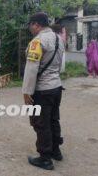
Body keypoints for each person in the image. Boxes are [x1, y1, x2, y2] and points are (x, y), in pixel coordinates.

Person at [22, 12, 65, 170]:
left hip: (43, 90)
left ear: (36, 24)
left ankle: (45, 158)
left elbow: (31, 68)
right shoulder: (58, 38)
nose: (30, 28)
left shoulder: (38, 41)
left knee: (41, 123)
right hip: (56, 86)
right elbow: (61, 64)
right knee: (53, 119)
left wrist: (27, 91)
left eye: (30, 25)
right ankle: (56, 151)